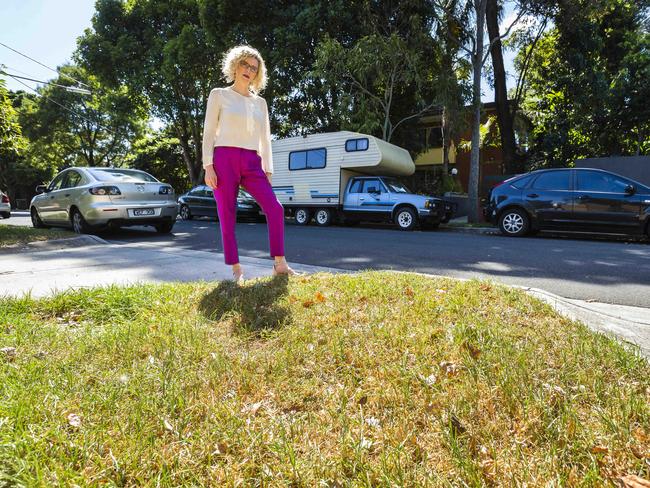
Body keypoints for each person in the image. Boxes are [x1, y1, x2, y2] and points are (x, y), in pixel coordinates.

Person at [202, 45, 296, 283]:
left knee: (275, 208)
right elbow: (209, 132)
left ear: (258, 74)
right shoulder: (219, 95)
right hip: (224, 158)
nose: (249, 70)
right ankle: (236, 269)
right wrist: (208, 166)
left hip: (253, 160)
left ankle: (280, 263)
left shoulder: (260, 103)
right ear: (235, 65)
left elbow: (265, 137)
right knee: (227, 214)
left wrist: (269, 169)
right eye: (245, 64)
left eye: (254, 68)